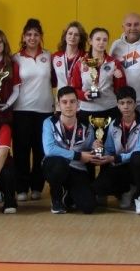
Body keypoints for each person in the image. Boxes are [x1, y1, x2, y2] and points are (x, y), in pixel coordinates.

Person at [91, 86, 140, 214]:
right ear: (118, 106)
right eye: (122, 103)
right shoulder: (113, 124)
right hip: (121, 166)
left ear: (135, 104)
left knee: (137, 157)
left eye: (129, 102)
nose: (126, 106)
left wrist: (115, 158)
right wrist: (99, 150)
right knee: (98, 187)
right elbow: (109, 150)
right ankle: (127, 191)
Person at [12, 19, 53, 202]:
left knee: (40, 151)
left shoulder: (48, 56)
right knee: (21, 151)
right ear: (23, 37)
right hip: (21, 110)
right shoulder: (16, 58)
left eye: (36, 34)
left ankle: (37, 186)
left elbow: (55, 80)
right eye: (29, 34)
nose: (32, 38)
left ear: (40, 36)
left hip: (45, 111)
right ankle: (21, 188)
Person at [41, 86, 99, 214]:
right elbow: (49, 150)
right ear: (58, 105)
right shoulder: (49, 123)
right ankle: (56, 198)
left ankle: (68, 196)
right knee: (58, 164)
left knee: (88, 206)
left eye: (72, 102)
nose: (68, 106)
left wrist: (95, 147)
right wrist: (77, 156)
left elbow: (89, 150)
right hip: (55, 166)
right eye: (64, 102)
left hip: (77, 168)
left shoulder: (86, 126)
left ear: (78, 104)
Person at [70, 27, 126, 119]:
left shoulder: (113, 63)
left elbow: (120, 90)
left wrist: (119, 78)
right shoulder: (81, 63)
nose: (101, 42)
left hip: (110, 108)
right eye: (98, 39)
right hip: (87, 110)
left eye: (105, 40)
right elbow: (74, 89)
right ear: (90, 41)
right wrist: (83, 95)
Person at [109, 13, 140, 110]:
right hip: (122, 103)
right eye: (129, 25)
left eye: (136, 24)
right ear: (123, 27)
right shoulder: (116, 45)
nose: (132, 28)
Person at [51, 21, 87, 91]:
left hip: (79, 96)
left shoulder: (85, 57)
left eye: (76, 35)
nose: (72, 37)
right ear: (65, 36)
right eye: (70, 33)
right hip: (61, 96)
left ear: (80, 39)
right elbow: (53, 82)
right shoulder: (56, 56)